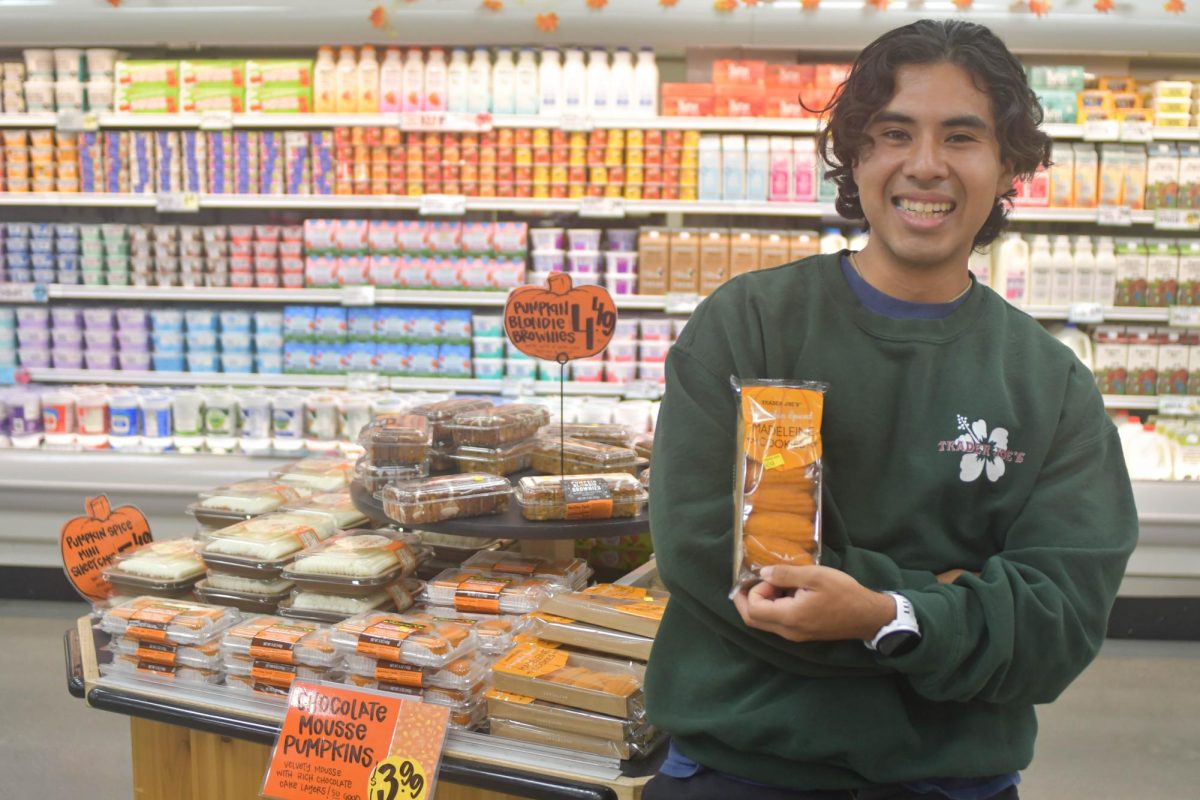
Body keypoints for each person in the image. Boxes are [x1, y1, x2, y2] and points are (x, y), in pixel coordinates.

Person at [644, 18, 1138, 800]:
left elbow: (1058, 625)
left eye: (963, 137)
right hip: (737, 769)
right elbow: (707, 554)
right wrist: (940, 604)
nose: (926, 165)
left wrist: (878, 610)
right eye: (894, 132)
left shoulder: (1051, 384)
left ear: (1011, 164)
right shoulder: (750, 325)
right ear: (857, 153)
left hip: (949, 781)